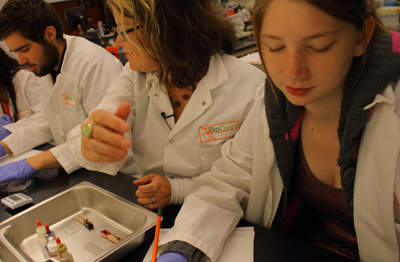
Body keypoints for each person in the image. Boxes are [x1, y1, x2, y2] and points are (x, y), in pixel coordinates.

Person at [155, 0, 400, 261]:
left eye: (319, 47)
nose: (292, 72)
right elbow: (229, 178)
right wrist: (183, 247)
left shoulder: (391, 112)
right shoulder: (274, 102)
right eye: (275, 47)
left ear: (362, 35)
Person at [67, 0, 265, 209]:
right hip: (156, 211)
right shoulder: (135, 77)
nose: (117, 42)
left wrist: (178, 189)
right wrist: (91, 137)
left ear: (165, 28)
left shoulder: (248, 86)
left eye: (124, 32)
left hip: (225, 213)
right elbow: (105, 115)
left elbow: (252, 180)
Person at [0, 0, 123, 183]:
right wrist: (6, 145)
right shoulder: (47, 63)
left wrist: (36, 162)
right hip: (80, 171)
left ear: (49, 34)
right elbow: (48, 120)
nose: (20, 60)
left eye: (24, 49)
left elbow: (98, 136)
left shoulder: (94, 64)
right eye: (14, 52)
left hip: (117, 174)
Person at [0, 47, 42, 141]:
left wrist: (10, 129)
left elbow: (44, 116)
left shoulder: (25, 79)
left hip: (40, 143)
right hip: (15, 145)